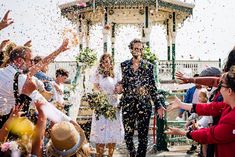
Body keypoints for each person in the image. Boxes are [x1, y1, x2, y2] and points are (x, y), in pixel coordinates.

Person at [166, 65, 235, 157]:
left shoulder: (231, 118)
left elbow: (210, 135)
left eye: (221, 86)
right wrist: (182, 105)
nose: (219, 89)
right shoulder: (228, 106)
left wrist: (182, 132)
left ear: (229, 91)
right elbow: (209, 108)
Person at [0, 39, 71, 128]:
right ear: (19, 61)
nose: (33, 64)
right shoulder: (22, 79)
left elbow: (42, 63)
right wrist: (70, 122)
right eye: (30, 60)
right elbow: (45, 106)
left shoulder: (5, 72)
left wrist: (59, 50)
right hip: (12, 127)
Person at [115, 39, 164, 157]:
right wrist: (120, 86)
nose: (138, 51)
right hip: (128, 104)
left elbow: (152, 87)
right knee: (128, 134)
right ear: (131, 49)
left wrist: (158, 105)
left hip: (144, 105)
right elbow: (123, 83)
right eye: (136, 48)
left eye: (140, 49)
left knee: (143, 136)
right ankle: (132, 154)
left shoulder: (148, 66)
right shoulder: (124, 65)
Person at [90, 53, 124, 157]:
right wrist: (100, 94)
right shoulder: (97, 73)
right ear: (101, 63)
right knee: (100, 130)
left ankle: (110, 155)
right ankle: (99, 154)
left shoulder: (116, 73)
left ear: (111, 63)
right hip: (101, 105)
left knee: (112, 131)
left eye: (108, 62)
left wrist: (119, 89)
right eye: (104, 62)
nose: (106, 64)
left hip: (113, 104)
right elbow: (95, 87)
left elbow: (120, 88)